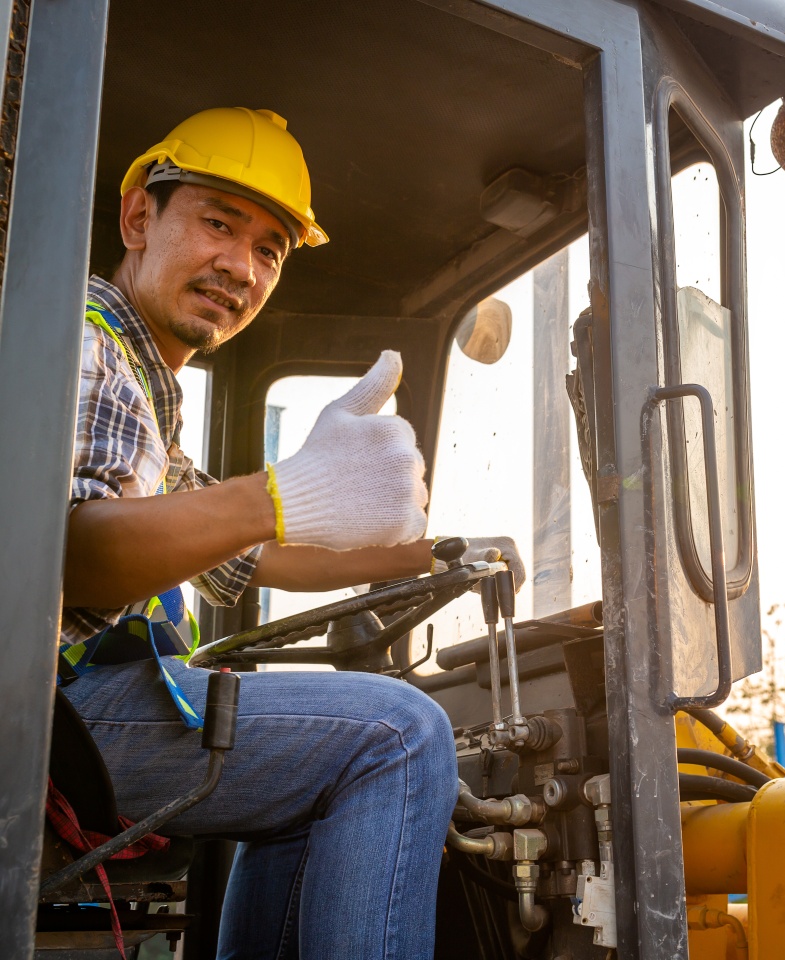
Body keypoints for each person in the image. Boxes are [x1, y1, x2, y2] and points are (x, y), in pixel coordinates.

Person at [59, 107, 524, 960]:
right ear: (138, 218)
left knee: (324, 769)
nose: (240, 264)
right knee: (399, 737)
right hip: (55, 719)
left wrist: (442, 552)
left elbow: (258, 553)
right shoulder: (84, 344)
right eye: (218, 223)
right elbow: (78, 554)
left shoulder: (144, 392)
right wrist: (282, 490)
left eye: (269, 249)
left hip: (78, 720)